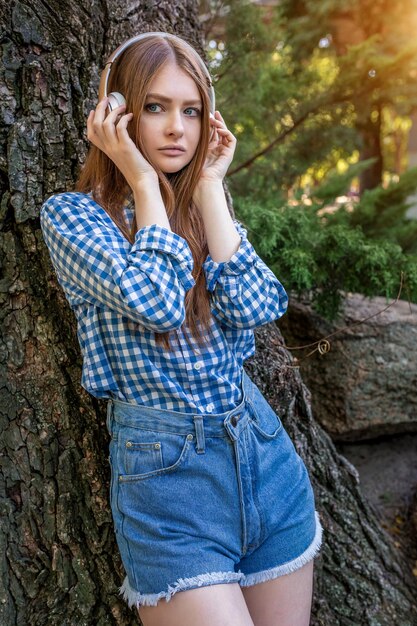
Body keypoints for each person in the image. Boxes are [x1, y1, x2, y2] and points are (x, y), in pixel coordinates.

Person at [40, 31, 323, 626]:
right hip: (168, 483)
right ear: (114, 113)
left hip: (263, 459)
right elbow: (160, 303)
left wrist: (213, 186)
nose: (177, 129)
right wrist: (143, 184)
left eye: (190, 110)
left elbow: (256, 306)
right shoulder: (73, 217)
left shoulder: (201, 205)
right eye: (155, 107)